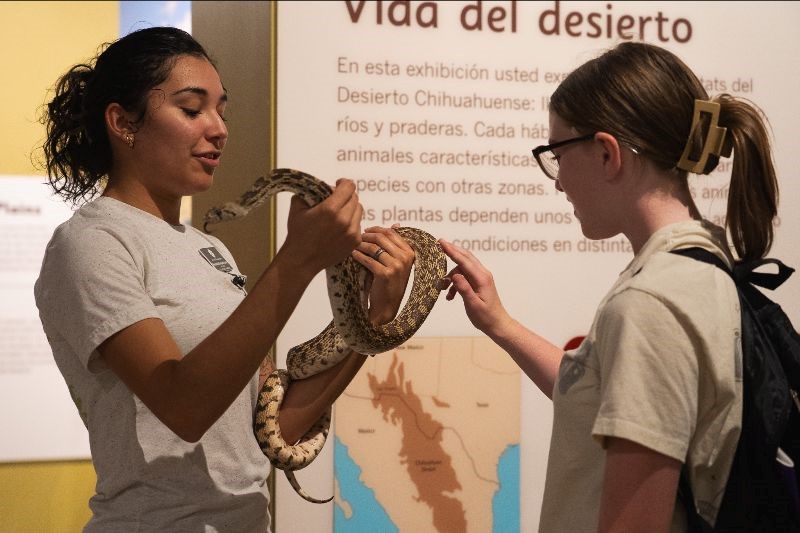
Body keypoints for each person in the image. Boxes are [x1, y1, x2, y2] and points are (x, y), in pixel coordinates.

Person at [34, 26, 413, 532]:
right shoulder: (92, 243)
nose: (219, 128)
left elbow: (273, 428)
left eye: (222, 110)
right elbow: (185, 407)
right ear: (124, 123)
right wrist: (297, 260)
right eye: (193, 110)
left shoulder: (208, 249)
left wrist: (374, 321)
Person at [439, 41, 779, 532]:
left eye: (557, 153)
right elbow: (603, 393)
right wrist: (502, 325)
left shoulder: (651, 304)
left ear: (606, 153)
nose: (557, 182)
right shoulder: (701, 264)